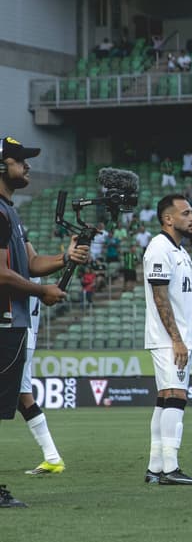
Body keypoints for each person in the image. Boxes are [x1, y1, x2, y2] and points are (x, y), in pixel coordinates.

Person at [0, 136, 87, 508]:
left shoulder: (10, 212)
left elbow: (31, 264)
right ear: (2, 166)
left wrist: (64, 257)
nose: (28, 166)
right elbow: (1, 273)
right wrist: (41, 292)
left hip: (12, 323)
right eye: (20, 161)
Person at [142, 194, 192, 486]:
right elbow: (160, 299)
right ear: (168, 219)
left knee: (164, 399)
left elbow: (186, 301)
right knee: (176, 397)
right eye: (185, 213)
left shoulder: (181, 252)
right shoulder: (159, 249)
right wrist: (177, 340)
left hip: (180, 338)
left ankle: (155, 467)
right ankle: (171, 468)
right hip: (167, 339)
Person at [19, 279, 65, 475]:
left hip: (17, 338)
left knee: (22, 397)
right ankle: (52, 457)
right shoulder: (28, 271)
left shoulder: (17, 270)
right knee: (23, 398)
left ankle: (53, 457)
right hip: (24, 338)